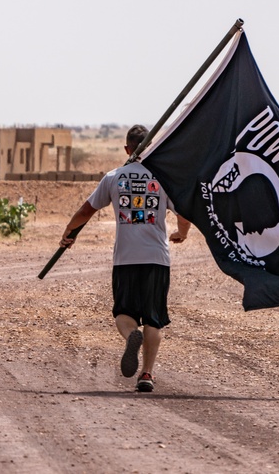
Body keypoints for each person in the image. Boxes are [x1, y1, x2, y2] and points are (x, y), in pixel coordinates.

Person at [59, 124, 191, 393]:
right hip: (156, 258)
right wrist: (182, 233)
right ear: (151, 148)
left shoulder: (114, 177)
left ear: (127, 149)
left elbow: (86, 211)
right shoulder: (164, 179)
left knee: (123, 313)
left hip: (126, 258)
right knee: (154, 318)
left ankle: (132, 335)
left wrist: (69, 232)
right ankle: (146, 374)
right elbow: (184, 213)